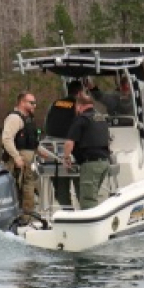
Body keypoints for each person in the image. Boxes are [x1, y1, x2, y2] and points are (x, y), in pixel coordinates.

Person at [1, 91, 47, 217]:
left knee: (29, 188)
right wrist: (16, 157)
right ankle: (18, 217)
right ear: (22, 102)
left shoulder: (29, 119)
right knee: (17, 189)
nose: (34, 105)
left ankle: (27, 216)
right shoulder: (15, 118)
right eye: (31, 102)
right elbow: (6, 139)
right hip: (17, 162)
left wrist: (41, 151)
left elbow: (32, 141)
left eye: (35, 103)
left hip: (28, 162)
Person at [62, 92, 111, 209]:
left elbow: (69, 142)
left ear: (79, 106)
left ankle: (89, 225)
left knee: (88, 199)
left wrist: (66, 158)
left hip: (91, 164)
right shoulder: (101, 118)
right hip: (104, 162)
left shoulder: (81, 119)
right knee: (92, 195)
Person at [43, 80, 84, 208]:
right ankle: (83, 213)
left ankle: (67, 212)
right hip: (73, 152)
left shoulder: (55, 104)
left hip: (54, 153)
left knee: (61, 190)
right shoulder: (78, 106)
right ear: (79, 93)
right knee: (80, 187)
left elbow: (46, 126)